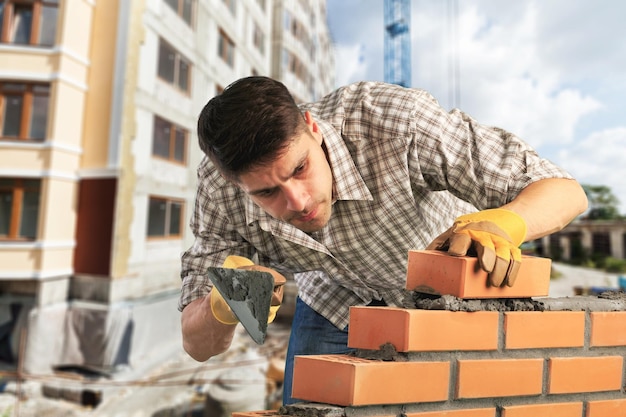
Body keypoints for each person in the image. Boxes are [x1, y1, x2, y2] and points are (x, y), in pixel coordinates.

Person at [179, 76, 587, 404]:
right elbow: (196, 343)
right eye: (267, 193)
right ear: (236, 185)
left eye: (300, 168)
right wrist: (222, 304)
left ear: (313, 129)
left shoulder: (391, 120)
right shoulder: (219, 193)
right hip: (336, 303)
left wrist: (507, 222)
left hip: (442, 299)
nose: (297, 202)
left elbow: (564, 190)